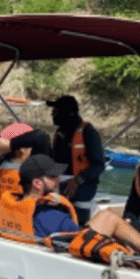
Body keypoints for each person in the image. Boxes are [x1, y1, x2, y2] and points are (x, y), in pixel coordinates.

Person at [0, 154, 140, 274]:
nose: (59, 180)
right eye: (53, 177)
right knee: (108, 217)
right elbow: (80, 241)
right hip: (65, 266)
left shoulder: (12, 206)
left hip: (31, 260)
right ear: (37, 183)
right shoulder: (53, 214)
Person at [46, 95, 105, 225]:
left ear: (67, 112)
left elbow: (99, 166)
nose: (52, 113)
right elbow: (58, 163)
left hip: (84, 183)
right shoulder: (60, 133)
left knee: (46, 195)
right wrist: (50, 179)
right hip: (63, 180)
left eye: (55, 110)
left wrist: (77, 180)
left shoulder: (88, 132)